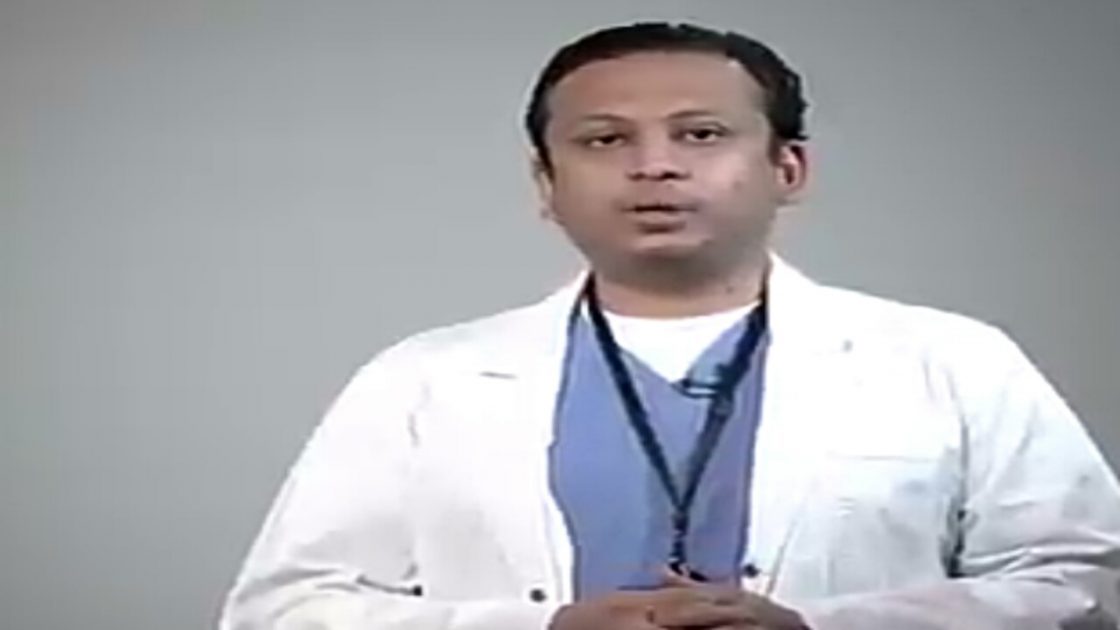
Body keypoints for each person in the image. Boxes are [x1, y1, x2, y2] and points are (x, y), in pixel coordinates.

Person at [219, 22, 1120, 630]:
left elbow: (1084, 586)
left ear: (788, 169)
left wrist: (821, 627)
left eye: (700, 134)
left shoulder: (951, 359)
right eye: (605, 140)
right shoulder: (422, 379)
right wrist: (545, 628)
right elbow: (284, 611)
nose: (654, 167)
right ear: (545, 184)